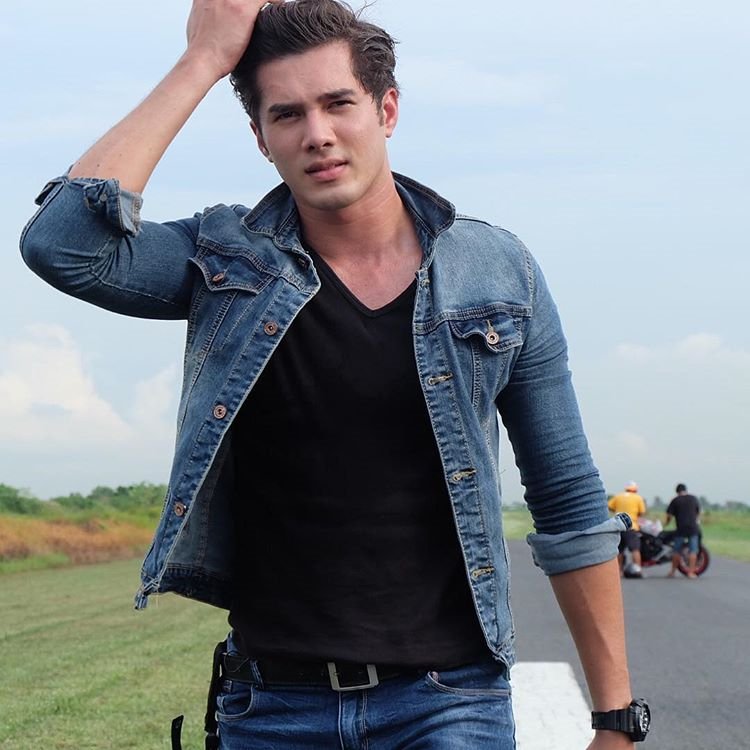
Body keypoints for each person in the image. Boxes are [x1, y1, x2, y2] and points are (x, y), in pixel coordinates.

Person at [20, 1, 648, 748]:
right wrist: (202, 61)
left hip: (449, 704)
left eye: (338, 103)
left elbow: (567, 496)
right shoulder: (225, 261)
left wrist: (616, 719)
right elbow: (64, 244)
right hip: (272, 708)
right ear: (261, 138)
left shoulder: (497, 272)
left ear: (387, 110)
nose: (316, 134)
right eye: (286, 115)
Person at [608, 482, 647, 574]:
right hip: (632, 527)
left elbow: (609, 506)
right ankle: (638, 569)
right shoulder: (637, 498)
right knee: (635, 549)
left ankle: (619, 571)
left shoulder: (618, 496)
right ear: (635, 489)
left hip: (618, 526)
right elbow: (642, 512)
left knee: (619, 550)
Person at [665, 483, 702, 578]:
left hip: (681, 528)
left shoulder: (675, 500)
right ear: (686, 490)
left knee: (676, 550)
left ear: (677, 492)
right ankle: (691, 572)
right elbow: (698, 512)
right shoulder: (693, 498)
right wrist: (696, 521)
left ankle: (672, 572)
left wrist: (666, 524)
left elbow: (669, 515)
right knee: (693, 551)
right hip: (693, 528)